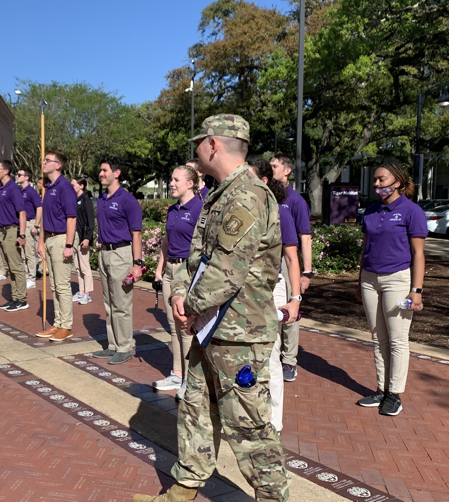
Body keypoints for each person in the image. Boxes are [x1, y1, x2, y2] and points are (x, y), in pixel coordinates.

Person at [134, 114, 290, 502]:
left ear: (214, 145)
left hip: (239, 336)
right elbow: (197, 256)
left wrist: (188, 305)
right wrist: (179, 293)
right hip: (211, 329)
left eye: (199, 143)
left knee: (250, 428)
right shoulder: (221, 193)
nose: (195, 151)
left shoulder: (248, 195)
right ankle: (181, 492)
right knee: (195, 412)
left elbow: (226, 271)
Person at [355, 163, 427, 416]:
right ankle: (381, 389)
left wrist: (416, 290)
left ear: (397, 182)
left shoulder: (412, 211)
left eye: (381, 180)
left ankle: (394, 394)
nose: (376, 185)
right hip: (369, 279)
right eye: (374, 180)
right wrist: (359, 280)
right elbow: (366, 248)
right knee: (378, 338)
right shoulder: (371, 211)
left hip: (397, 279)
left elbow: (418, 253)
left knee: (397, 339)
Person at [248, 156, 301, 433]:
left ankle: (274, 419)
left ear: (264, 181)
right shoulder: (239, 211)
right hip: (243, 292)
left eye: (249, 177)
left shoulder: (280, 212)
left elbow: (292, 258)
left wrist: (295, 299)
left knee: (270, 354)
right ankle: (249, 413)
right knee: (245, 354)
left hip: (273, 288)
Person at [152, 165, 203, 400]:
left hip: (187, 271)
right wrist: (160, 269)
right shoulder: (172, 210)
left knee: (185, 327)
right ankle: (177, 373)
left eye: (176, 179)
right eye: (171, 179)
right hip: (170, 271)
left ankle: (190, 380)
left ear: (190, 183)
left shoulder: (199, 209)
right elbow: (166, 240)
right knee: (173, 326)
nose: (171, 183)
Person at [92, 157, 143, 365]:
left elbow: (136, 234)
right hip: (104, 253)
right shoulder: (102, 199)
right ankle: (113, 345)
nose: (101, 174)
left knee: (121, 303)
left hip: (122, 254)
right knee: (109, 302)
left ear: (117, 173)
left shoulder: (127, 199)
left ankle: (124, 347)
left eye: (105, 170)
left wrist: (137, 264)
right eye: (100, 170)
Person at [270, 153, 313, 383]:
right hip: (269, 262)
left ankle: (289, 361)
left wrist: (306, 273)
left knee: (289, 311)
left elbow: (305, 238)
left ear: (287, 170)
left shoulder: (295, 201)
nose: (271, 169)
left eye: (274, 166)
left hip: (288, 262)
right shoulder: (267, 196)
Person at [35, 151, 78, 342]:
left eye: (47, 160)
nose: (43, 163)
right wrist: (40, 241)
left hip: (62, 238)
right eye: (44, 160)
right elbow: (45, 217)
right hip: (50, 238)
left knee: (62, 285)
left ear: (58, 165)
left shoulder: (64, 186)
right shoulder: (48, 187)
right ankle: (58, 322)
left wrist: (69, 244)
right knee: (53, 285)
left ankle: (66, 326)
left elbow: (71, 217)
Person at [0, 160, 29, 312]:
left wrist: (21, 234)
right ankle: (14, 298)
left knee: (16, 266)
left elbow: (22, 212)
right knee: (9, 266)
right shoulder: (1, 188)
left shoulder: (13, 188)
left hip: (12, 230)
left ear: (6, 171)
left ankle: (21, 299)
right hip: (2, 230)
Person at [16, 168, 43, 289]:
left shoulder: (31, 191)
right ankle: (26, 275)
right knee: (21, 253)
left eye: (19, 175)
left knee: (29, 253)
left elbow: (39, 208)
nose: (17, 176)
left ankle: (31, 278)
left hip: (29, 223)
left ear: (27, 177)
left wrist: (36, 225)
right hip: (20, 224)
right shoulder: (20, 191)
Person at [71, 177, 95, 305]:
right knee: (78, 267)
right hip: (75, 238)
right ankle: (81, 291)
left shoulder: (86, 200)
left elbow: (90, 222)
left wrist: (87, 238)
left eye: (73, 184)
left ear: (81, 186)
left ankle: (88, 293)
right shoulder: (75, 200)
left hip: (83, 238)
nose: (72, 186)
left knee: (85, 267)